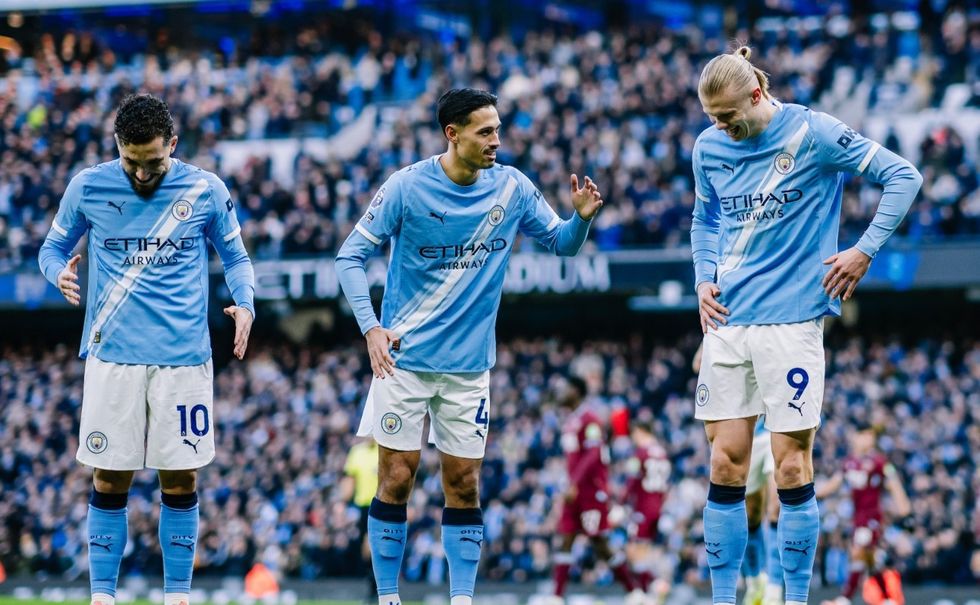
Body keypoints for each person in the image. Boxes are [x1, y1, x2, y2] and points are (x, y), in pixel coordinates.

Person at [334, 88, 603, 605]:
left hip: (469, 369)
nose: (496, 140)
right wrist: (371, 327)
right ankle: (387, 597)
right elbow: (350, 257)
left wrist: (582, 218)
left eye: (498, 129)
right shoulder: (406, 187)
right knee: (396, 478)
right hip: (403, 362)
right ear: (452, 134)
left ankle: (462, 599)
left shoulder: (512, 187)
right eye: (485, 131)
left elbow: (562, 244)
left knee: (463, 484)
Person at [690, 45, 921, 605]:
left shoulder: (813, 132)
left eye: (727, 116)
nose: (720, 127)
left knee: (791, 468)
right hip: (727, 320)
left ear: (756, 94)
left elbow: (903, 175)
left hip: (792, 321)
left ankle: (795, 599)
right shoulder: (708, 147)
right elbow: (704, 217)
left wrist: (864, 250)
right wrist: (702, 278)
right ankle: (723, 599)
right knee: (724, 463)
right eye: (712, 118)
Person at [37, 93, 255, 605]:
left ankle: (177, 595)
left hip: (184, 360)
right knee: (109, 476)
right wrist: (58, 274)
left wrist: (245, 303)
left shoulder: (205, 189)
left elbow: (237, 257)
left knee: (180, 479)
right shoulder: (88, 186)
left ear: (172, 144)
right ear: (117, 146)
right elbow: (51, 249)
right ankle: (102, 596)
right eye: (130, 161)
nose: (140, 174)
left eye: (152, 162)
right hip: (112, 356)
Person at [694, 345, 782, 605]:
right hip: (747, 431)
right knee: (751, 515)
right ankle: (755, 581)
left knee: (776, 506)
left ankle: (775, 590)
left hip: (777, 426)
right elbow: (699, 364)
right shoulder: (733, 323)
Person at [551, 377, 643, 605]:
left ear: (576, 391)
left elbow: (593, 454)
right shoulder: (571, 420)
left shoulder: (590, 420)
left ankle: (634, 591)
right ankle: (556, 597)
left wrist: (574, 482)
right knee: (566, 538)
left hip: (589, 491)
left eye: (566, 388)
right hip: (573, 492)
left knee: (599, 542)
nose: (561, 393)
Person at [817, 424, 911, 605]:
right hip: (857, 518)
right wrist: (809, 493)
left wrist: (903, 505)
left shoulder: (879, 462)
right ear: (855, 437)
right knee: (870, 560)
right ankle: (888, 599)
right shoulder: (849, 463)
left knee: (858, 551)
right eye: (864, 435)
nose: (868, 440)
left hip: (872, 517)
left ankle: (845, 598)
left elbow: (893, 481)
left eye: (870, 436)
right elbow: (834, 483)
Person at [623, 420, 672, 604]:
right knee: (646, 549)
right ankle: (652, 587)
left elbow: (632, 479)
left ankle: (648, 589)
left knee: (634, 550)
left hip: (643, 507)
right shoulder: (663, 454)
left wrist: (621, 502)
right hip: (658, 506)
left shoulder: (640, 453)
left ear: (640, 431)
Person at [341, 438, 381, 602]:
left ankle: (377, 586)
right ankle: (373, 583)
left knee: (375, 546)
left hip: (381, 504)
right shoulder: (356, 452)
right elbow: (349, 480)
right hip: (363, 506)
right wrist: (342, 504)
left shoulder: (384, 449)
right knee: (366, 549)